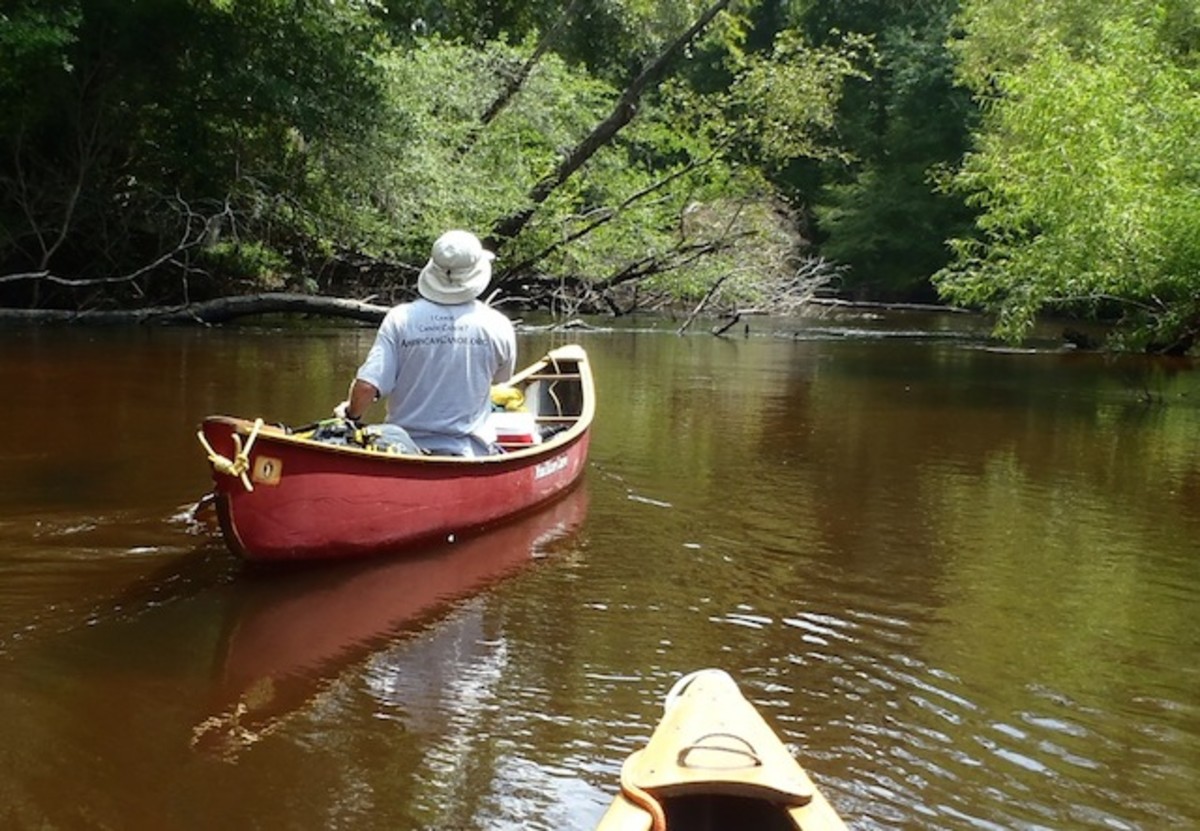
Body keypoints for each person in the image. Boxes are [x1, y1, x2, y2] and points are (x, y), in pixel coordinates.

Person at [334, 230, 516, 456]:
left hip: (403, 451)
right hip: (470, 453)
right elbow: (500, 380)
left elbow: (367, 387)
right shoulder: (499, 324)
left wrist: (351, 415)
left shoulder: (400, 318)